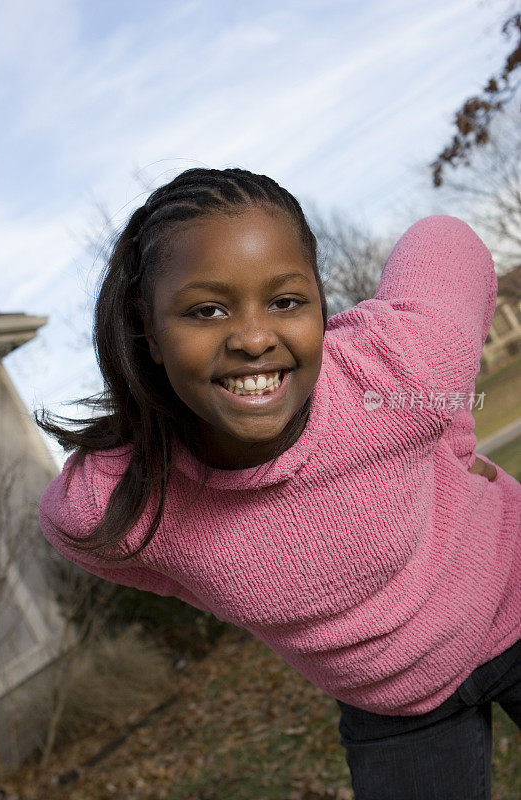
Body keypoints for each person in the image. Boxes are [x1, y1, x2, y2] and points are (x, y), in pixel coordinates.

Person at [37, 167, 520, 799]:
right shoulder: (119, 500)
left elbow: (446, 238)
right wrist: (217, 581)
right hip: (395, 712)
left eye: (287, 302)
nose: (255, 338)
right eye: (205, 310)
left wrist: (441, 439)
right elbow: (70, 530)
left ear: (320, 304)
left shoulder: (391, 369)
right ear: (149, 335)